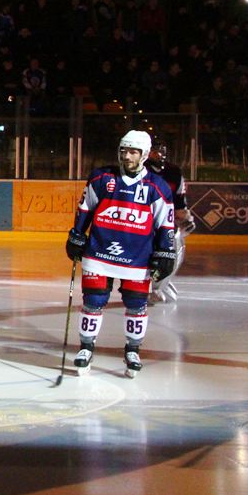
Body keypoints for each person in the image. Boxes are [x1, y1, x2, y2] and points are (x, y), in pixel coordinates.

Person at [65, 130, 176, 378]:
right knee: (93, 301)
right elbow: (85, 208)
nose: (127, 156)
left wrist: (166, 251)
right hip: (98, 253)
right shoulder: (102, 178)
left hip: (138, 258)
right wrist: (77, 235)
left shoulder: (157, 187)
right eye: (124, 151)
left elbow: (165, 224)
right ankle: (86, 347)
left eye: (133, 152)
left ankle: (133, 350)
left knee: (136, 305)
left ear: (144, 155)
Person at [144, 141, 193, 304]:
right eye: (154, 151)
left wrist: (185, 217)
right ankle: (146, 286)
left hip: (167, 222)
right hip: (144, 221)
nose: (158, 154)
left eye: (161, 151)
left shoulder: (174, 172)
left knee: (176, 249)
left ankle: (160, 283)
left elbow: (179, 202)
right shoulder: (140, 170)